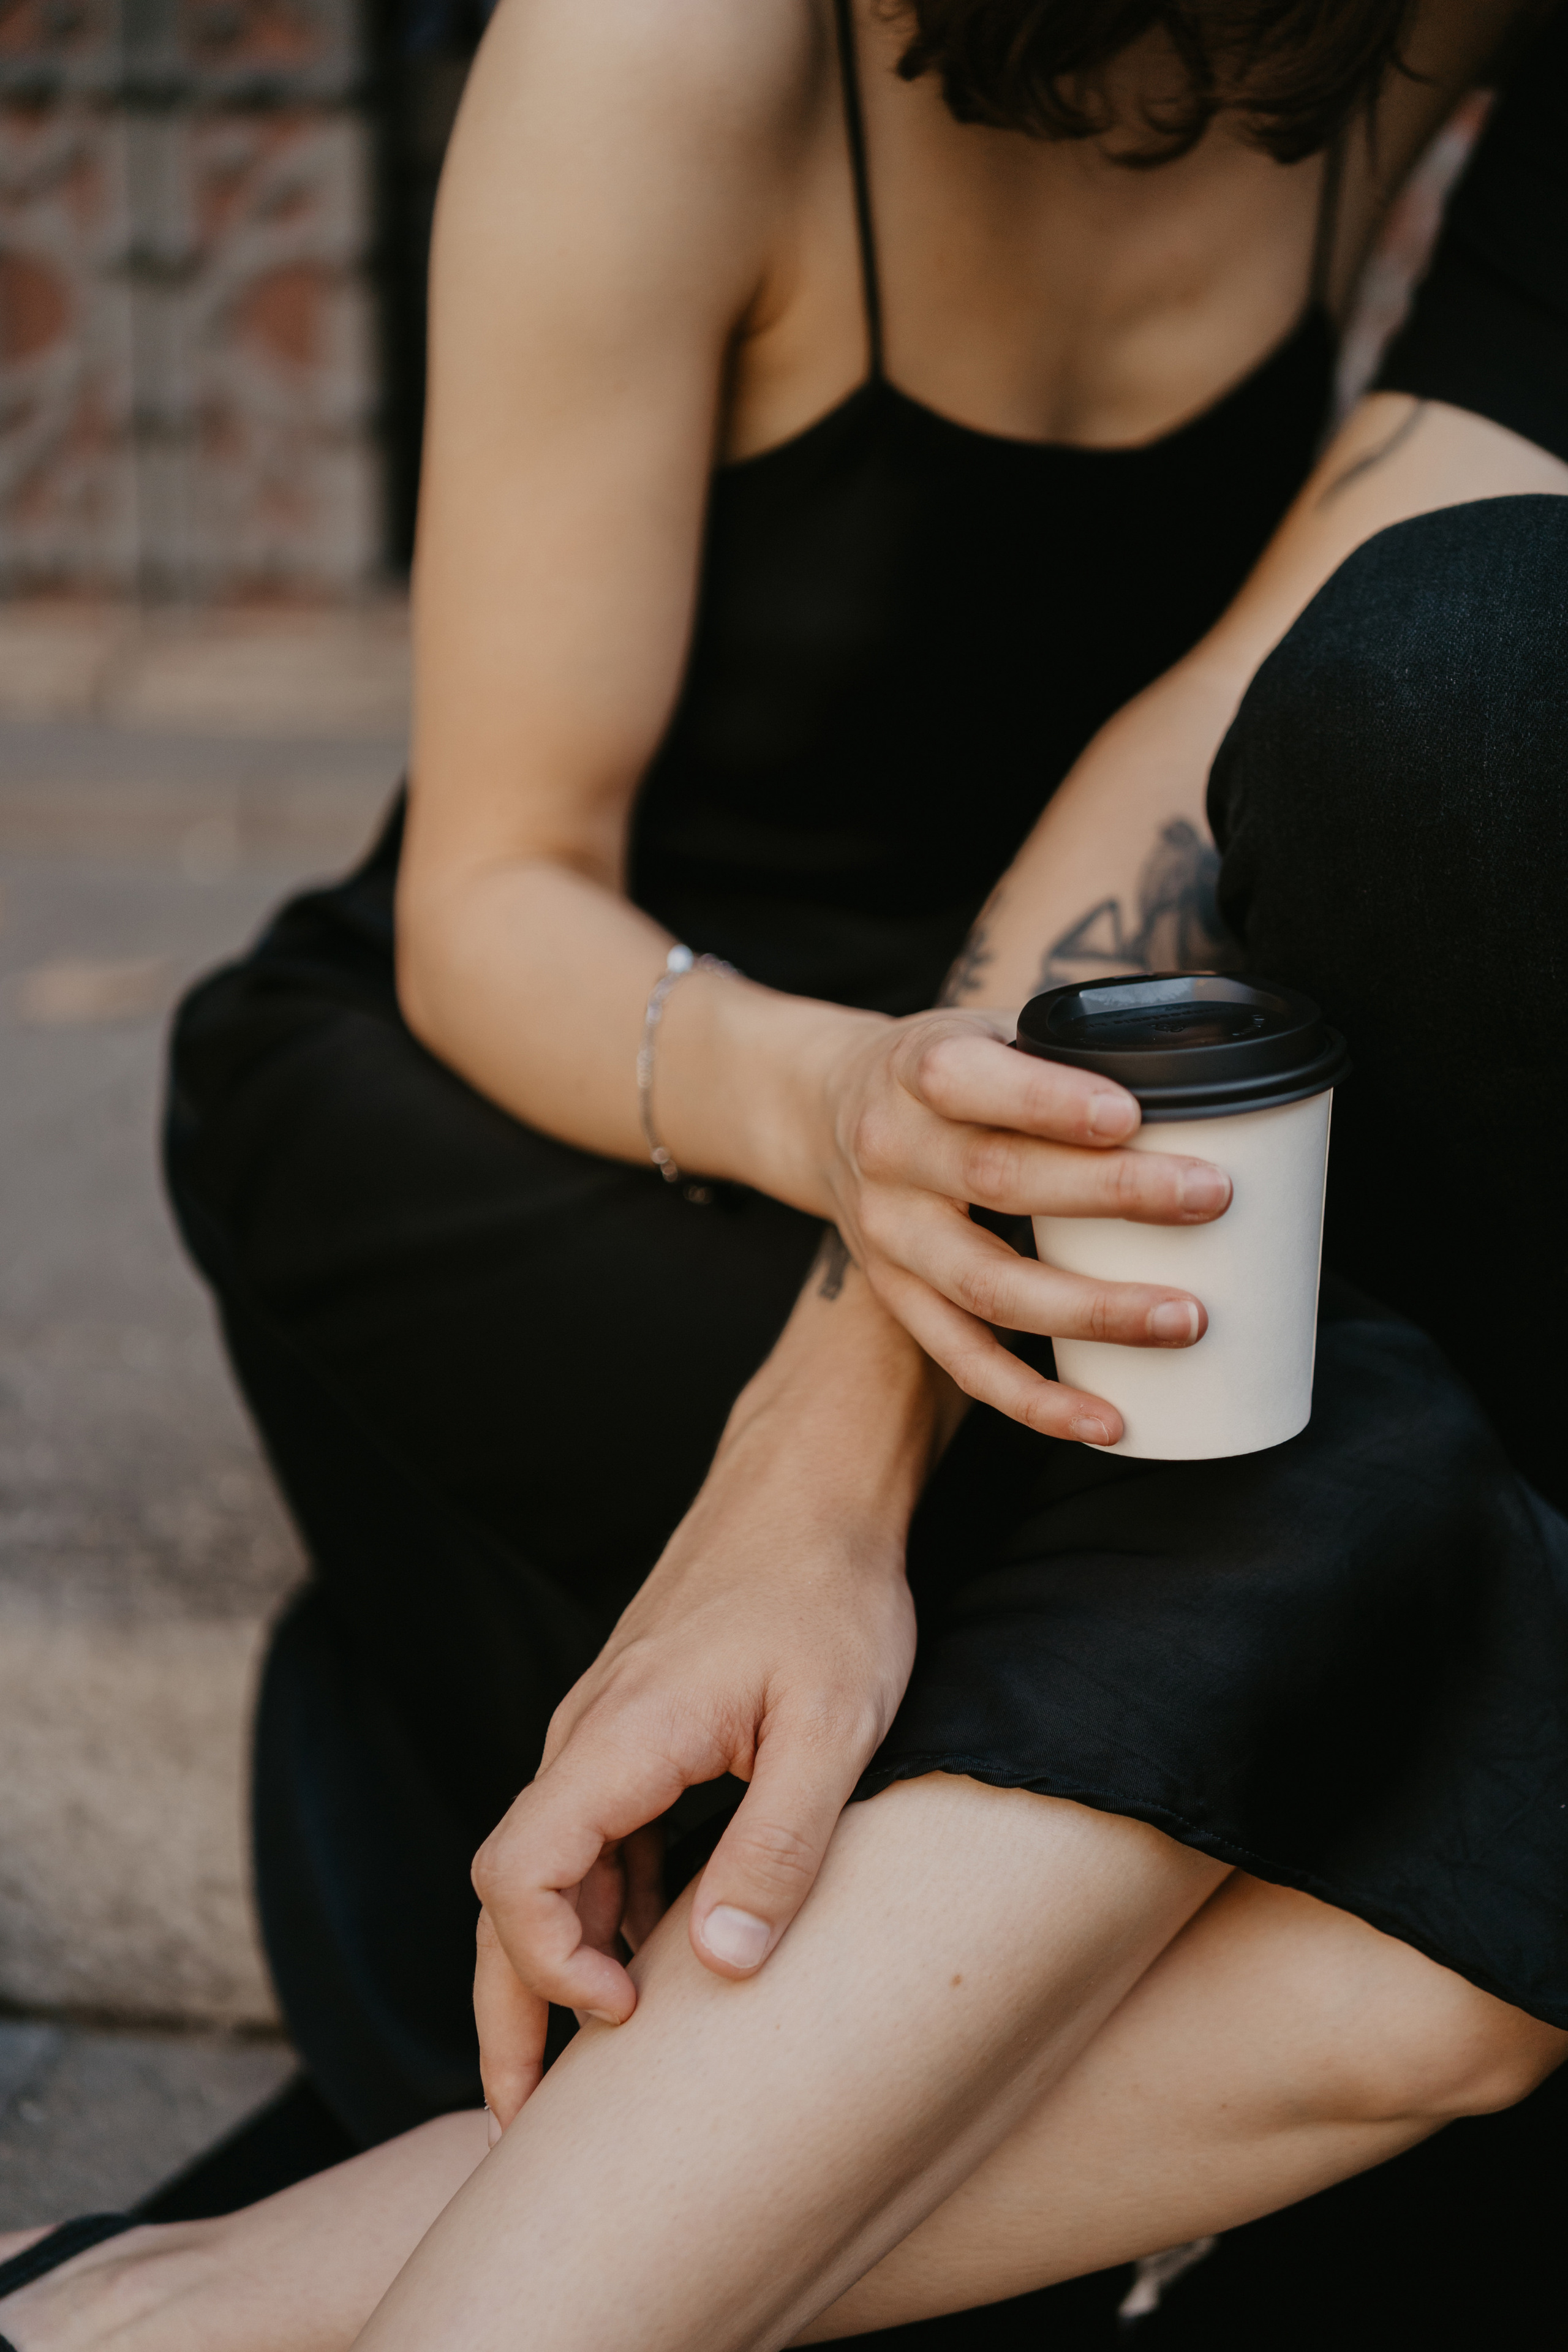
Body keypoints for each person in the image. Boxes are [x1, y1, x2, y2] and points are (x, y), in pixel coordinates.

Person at [6, 1, 1566, 2343]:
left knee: (1380, 1561)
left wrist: (919, 1277)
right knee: (1352, 1497)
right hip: (595, 1079)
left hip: (1021, 1047)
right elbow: (493, 889)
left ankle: (212, 2304)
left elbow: (1231, 693)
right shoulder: (665, 43)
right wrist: (844, 1192)